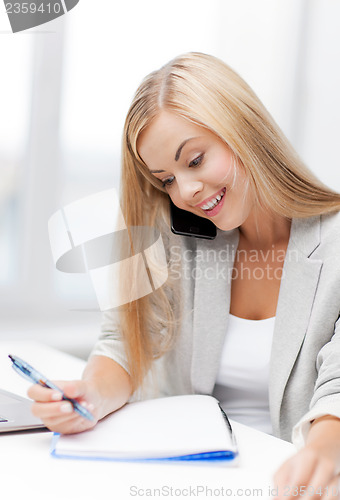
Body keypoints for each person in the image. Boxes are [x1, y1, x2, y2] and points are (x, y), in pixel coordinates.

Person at [29, 52, 340, 499]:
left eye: (193, 161)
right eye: (166, 180)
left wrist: (324, 453)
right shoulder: (170, 234)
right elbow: (125, 343)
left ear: (243, 131)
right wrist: (88, 396)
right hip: (190, 481)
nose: (186, 192)